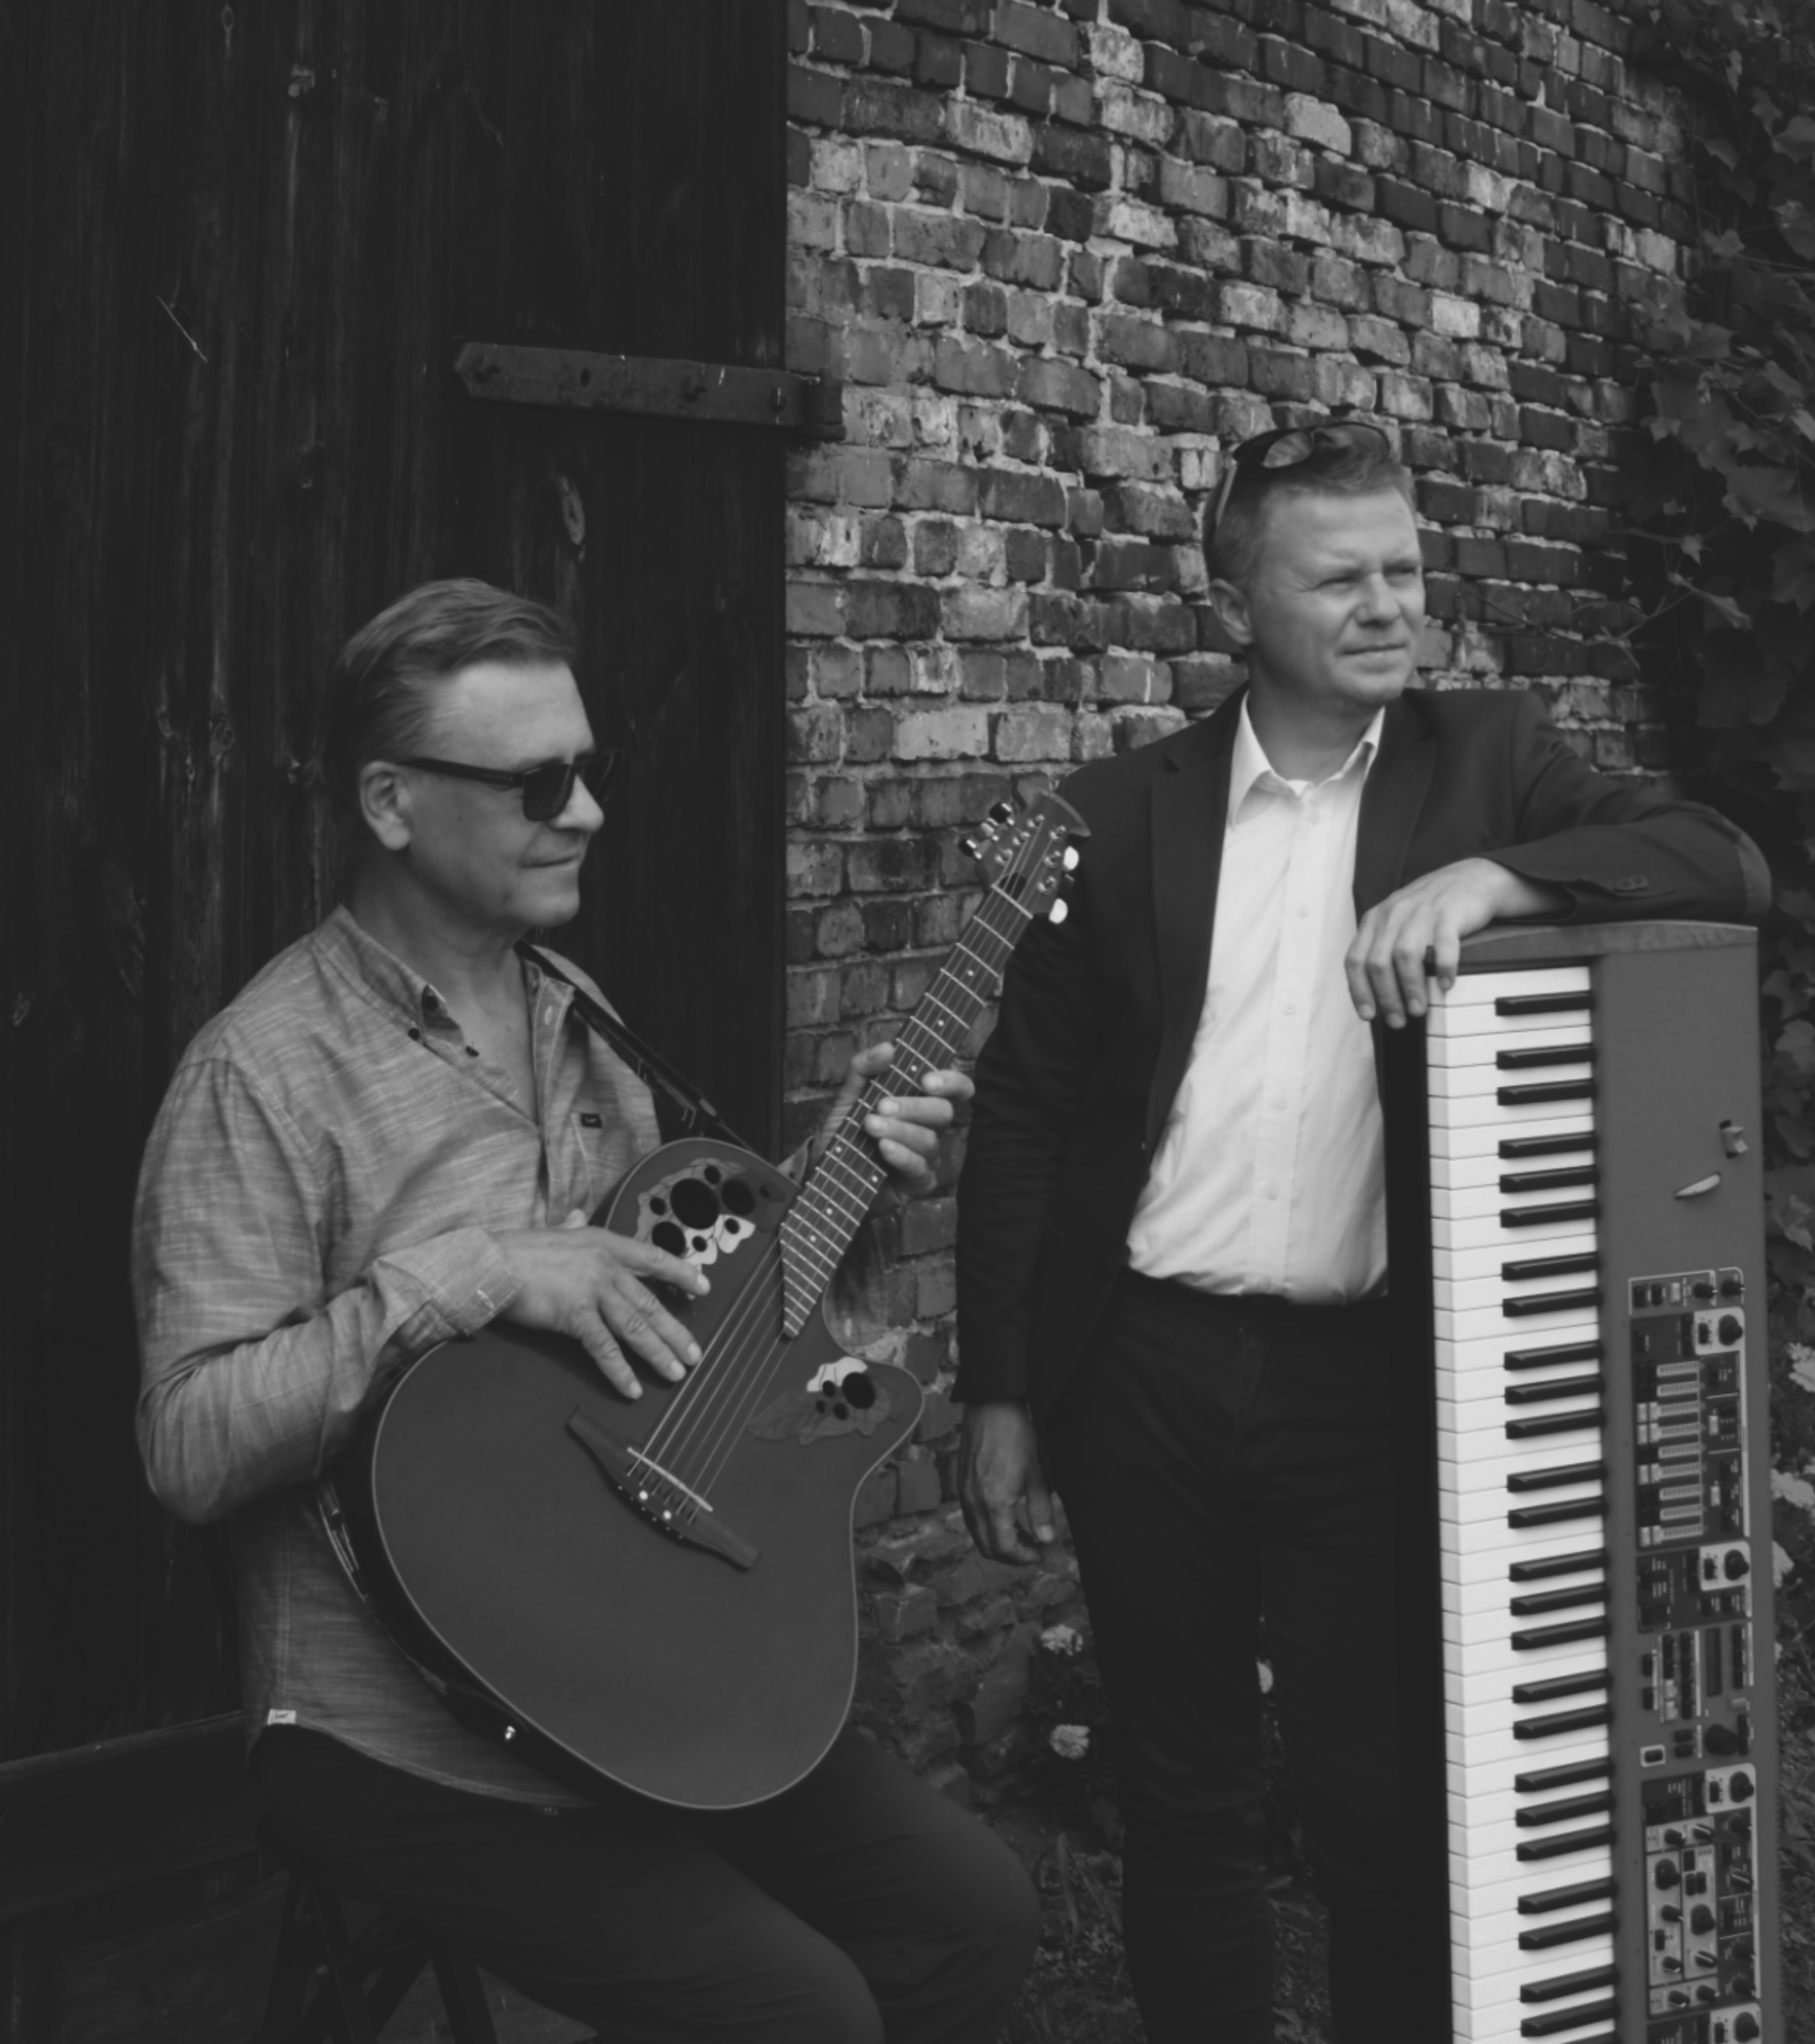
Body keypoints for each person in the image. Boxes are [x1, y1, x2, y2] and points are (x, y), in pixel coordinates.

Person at [952, 421, 1770, 2044]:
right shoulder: (1110, 814)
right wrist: (1001, 1390)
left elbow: (1720, 864)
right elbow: (1024, 1120)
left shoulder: (1489, 762)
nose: (1389, 604)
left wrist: (1495, 884)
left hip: (1375, 1380)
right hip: (1143, 1366)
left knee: (1384, 1808)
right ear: (1234, 601)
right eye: (1339, 579)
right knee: (1180, 1793)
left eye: (1403, 568)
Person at [134, 579, 1038, 2044]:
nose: (589, 813)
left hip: (629, 1658)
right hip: (397, 1726)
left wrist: (836, 1180)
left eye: (588, 770)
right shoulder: (264, 1076)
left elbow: (686, 1326)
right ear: (389, 803)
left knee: (972, 1913)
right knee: (796, 2010)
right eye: (538, 783)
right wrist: (474, 1271)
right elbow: (188, 1442)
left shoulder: (577, 1013)